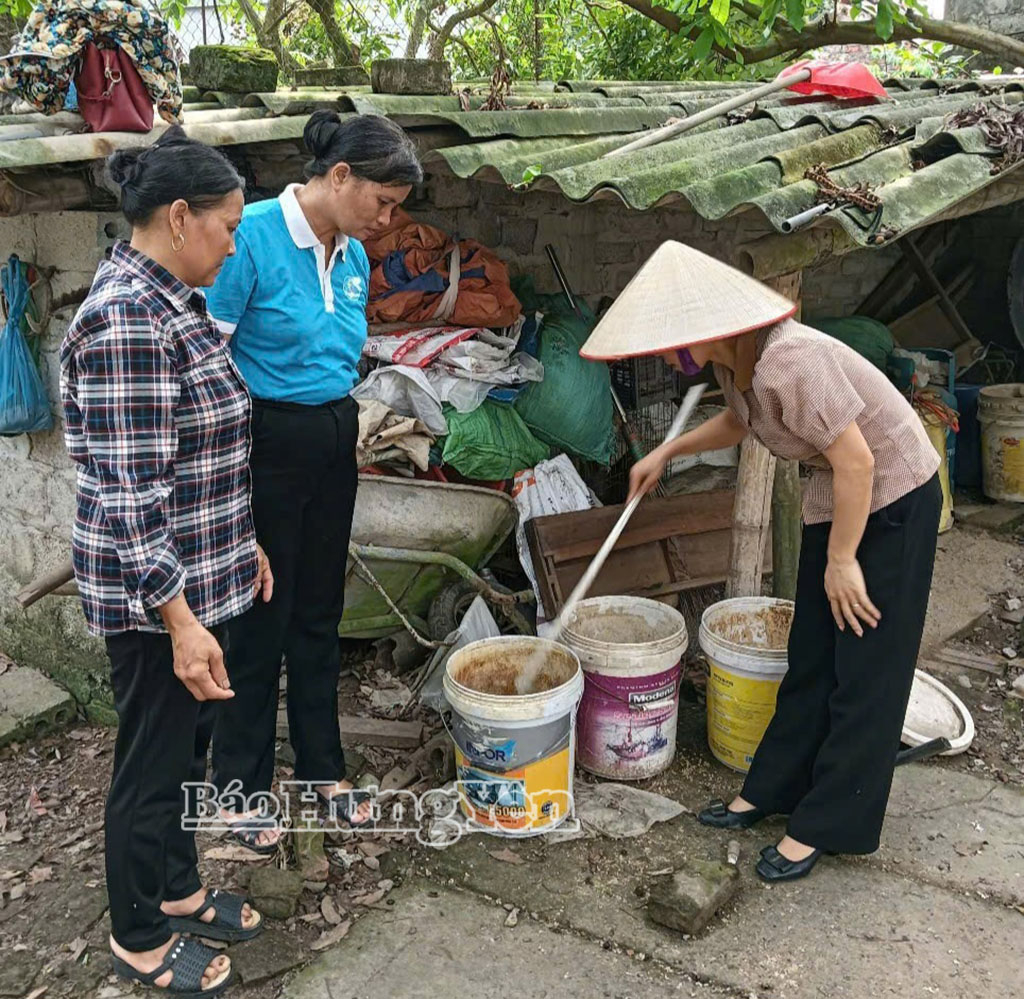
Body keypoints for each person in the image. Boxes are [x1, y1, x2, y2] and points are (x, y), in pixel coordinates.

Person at [581, 241, 942, 883]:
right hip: (837, 498)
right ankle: (772, 789)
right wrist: (665, 455)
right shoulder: (739, 363)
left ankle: (827, 822)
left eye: (669, 342)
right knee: (811, 654)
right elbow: (738, 424)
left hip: (891, 501)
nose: (666, 356)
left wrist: (842, 561)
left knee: (864, 667)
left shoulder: (788, 360)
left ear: (700, 334)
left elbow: (859, 461)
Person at [60, 128, 274, 995]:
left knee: (190, 752)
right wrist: (180, 619)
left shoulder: (174, 297)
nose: (234, 244)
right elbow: (130, 493)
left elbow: (203, 444)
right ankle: (138, 933)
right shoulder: (124, 320)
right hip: (157, 601)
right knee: (153, 764)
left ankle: (179, 888)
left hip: (201, 572)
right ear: (179, 216)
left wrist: (243, 537)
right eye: (227, 227)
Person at [206, 111, 423, 850]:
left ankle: (322, 769)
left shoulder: (354, 254)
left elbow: (340, 352)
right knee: (257, 617)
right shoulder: (253, 237)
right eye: (382, 202)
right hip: (260, 443)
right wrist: (221, 484)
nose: (388, 219)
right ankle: (240, 788)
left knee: (319, 613)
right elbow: (209, 360)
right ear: (339, 177)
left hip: (334, 439)